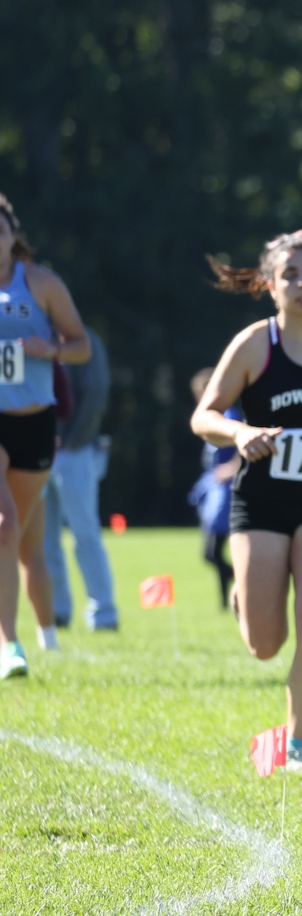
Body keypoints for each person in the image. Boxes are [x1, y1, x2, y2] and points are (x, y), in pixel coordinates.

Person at [191, 232, 302, 773]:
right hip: (259, 503)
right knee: (265, 643)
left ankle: (297, 744)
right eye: (291, 275)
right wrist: (240, 436)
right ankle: (245, 589)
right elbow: (204, 416)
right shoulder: (255, 345)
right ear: (270, 285)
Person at [0, 192, 92, 678]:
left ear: (12, 237)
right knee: (4, 525)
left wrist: (50, 348)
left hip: (34, 422)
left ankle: (48, 634)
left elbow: (82, 347)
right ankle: (9, 645)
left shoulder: (40, 285)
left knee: (27, 538)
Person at [42, 326, 118, 631]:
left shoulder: (86, 340)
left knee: (85, 535)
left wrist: (70, 443)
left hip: (76, 453)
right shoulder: (29, 335)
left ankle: (104, 614)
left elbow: (96, 393)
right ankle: (57, 611)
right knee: (44, 540)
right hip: (35, 451)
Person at [187, 368, 242, 607]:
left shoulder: (230, 416)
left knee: (214, 551)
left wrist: (231, 468)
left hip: (229, 494)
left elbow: (246, 445)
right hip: (215, 492)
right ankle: (225, 599)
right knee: (213, 552)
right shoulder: (212, 417)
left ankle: (242, 585)